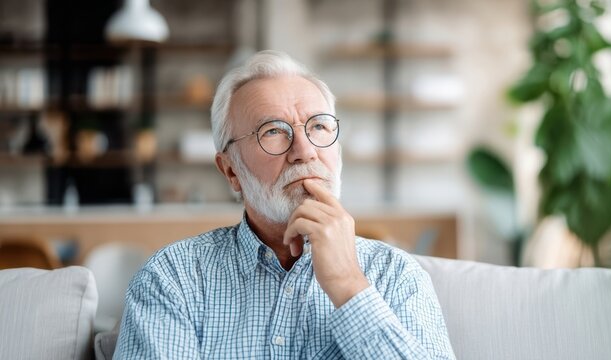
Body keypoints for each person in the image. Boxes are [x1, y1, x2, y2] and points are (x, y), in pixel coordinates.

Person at [114, 50, 456, 359]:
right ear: (231, 170)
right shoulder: (172, 279)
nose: (305, 151)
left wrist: (348, 285)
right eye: (273, 131)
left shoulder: (397, 276)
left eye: (319, 126)